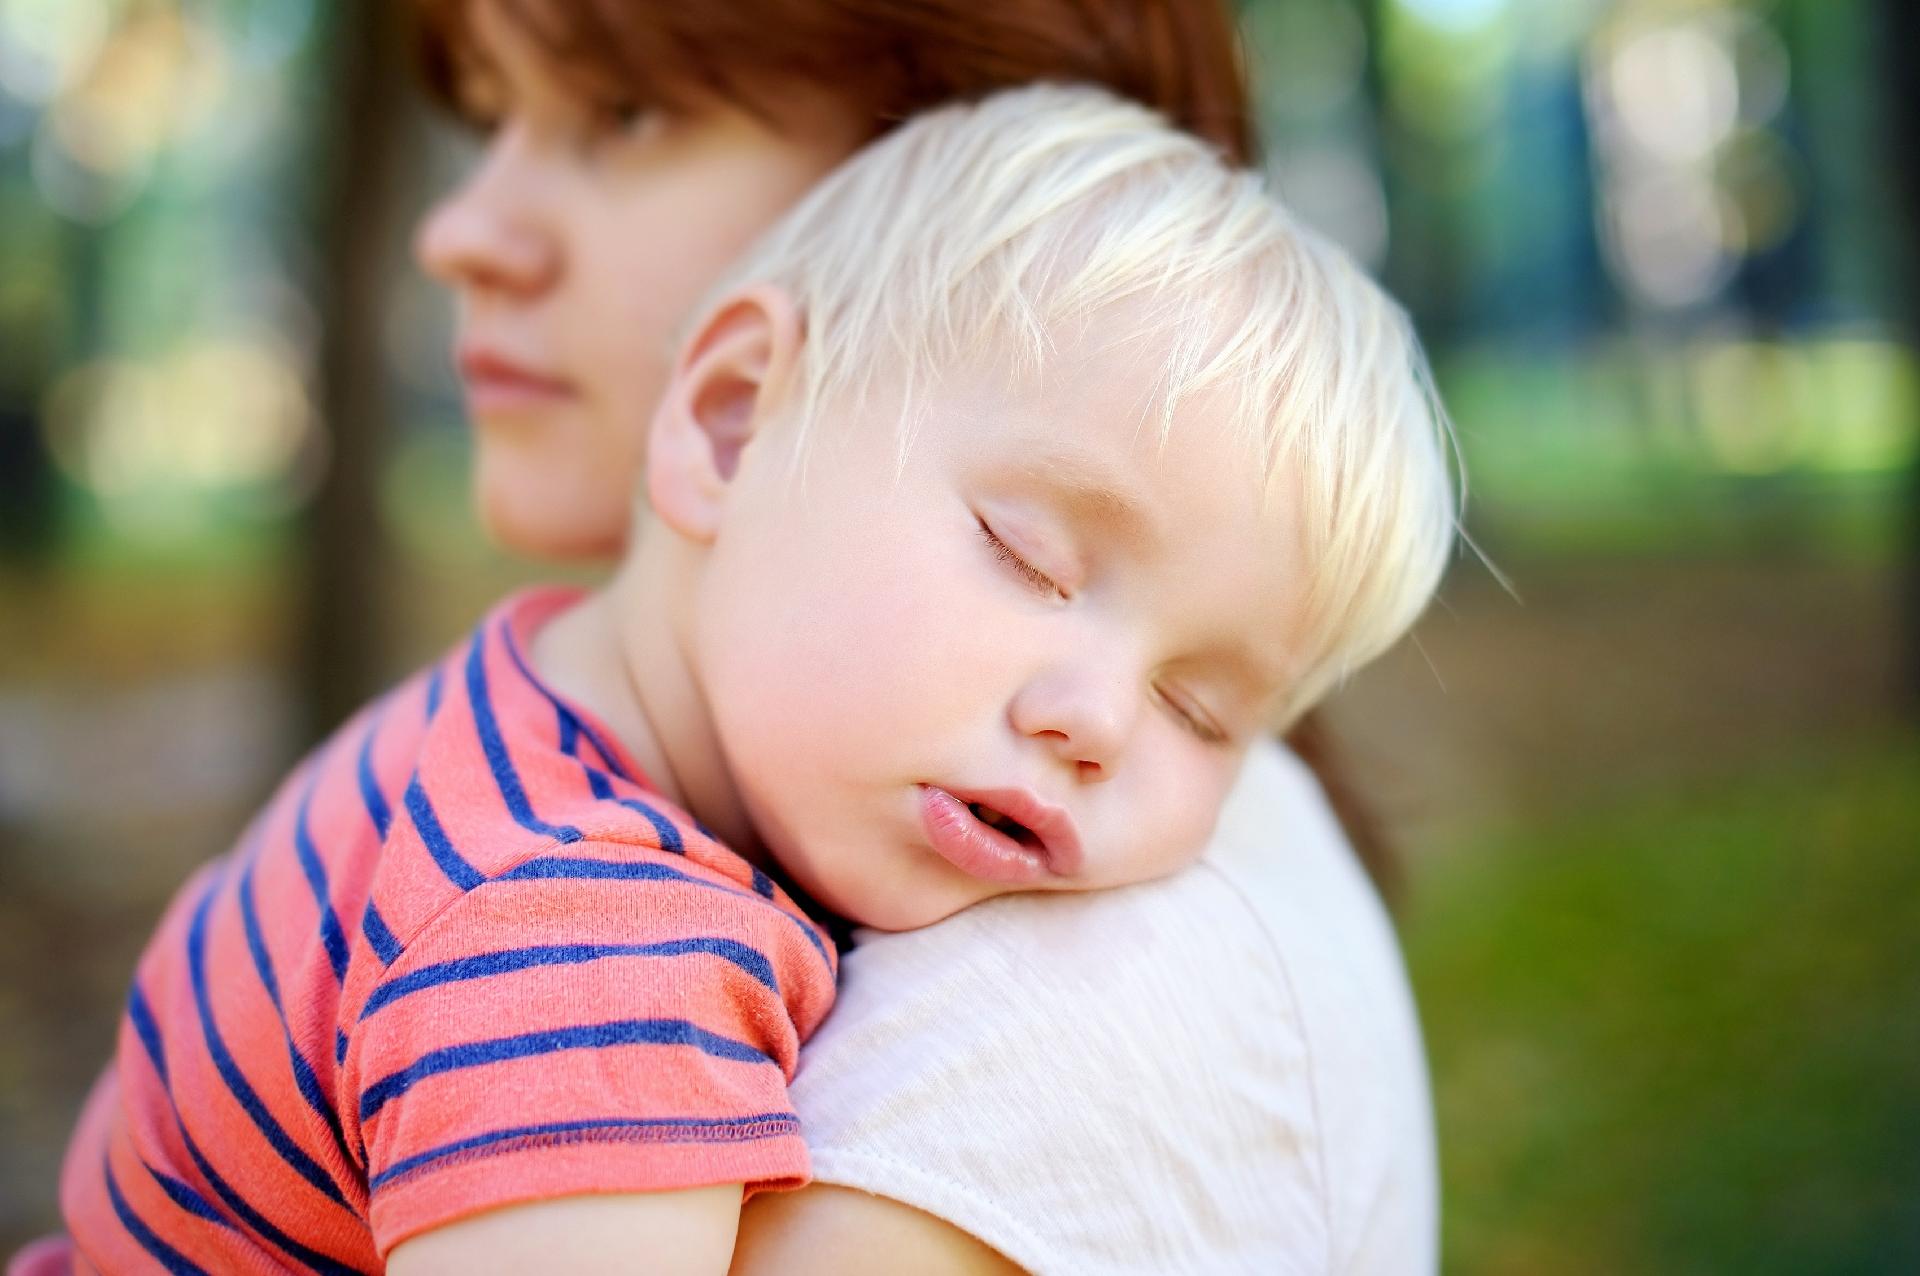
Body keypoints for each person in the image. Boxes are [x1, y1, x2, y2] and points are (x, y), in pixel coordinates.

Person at [35, 80, 1455, 1275]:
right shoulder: (584, 946)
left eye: (1203, 710)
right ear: (730, 421)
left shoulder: (503, 716)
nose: (1094, 720)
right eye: (1029, 558)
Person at [416, 3, 1441, 1273]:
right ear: (731, 412)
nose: (459, 231)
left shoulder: (1062, 1015)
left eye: (626, 113)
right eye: (489, 112)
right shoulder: (544, 852)